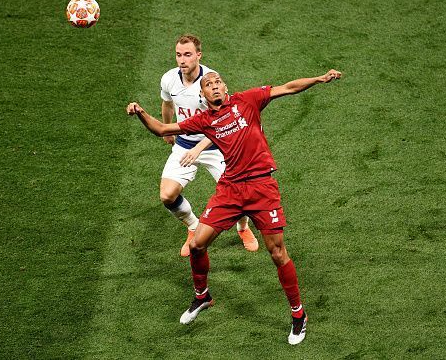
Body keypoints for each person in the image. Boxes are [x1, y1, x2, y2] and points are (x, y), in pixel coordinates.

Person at [126, 68, 341, 345]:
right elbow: (163, 129)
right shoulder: (204, 119)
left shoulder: (247, 100)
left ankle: (299, 315)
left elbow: (287, 87)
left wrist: (319, 78)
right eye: (208, 84)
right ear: (202, 95)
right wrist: (141, 112)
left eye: (218, 82)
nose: (214, 86)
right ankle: (202, 297)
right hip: (230, 189)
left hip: (262, 187)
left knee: (277, 253)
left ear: (225, 88)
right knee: (197, 244)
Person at [159, 34, 257, 256]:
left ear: (198, 56)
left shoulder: (211, 83)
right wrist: (167, 129)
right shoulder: (169, 79)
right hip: (184, 145)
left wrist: (198, 149)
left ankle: (243, 228)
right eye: (178, 55)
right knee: (167, 195)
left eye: (187, 55)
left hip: (218, 146)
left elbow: (223, 122)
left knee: (239, 194)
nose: (182, 60)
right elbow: (167, 104)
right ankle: (193, 227)